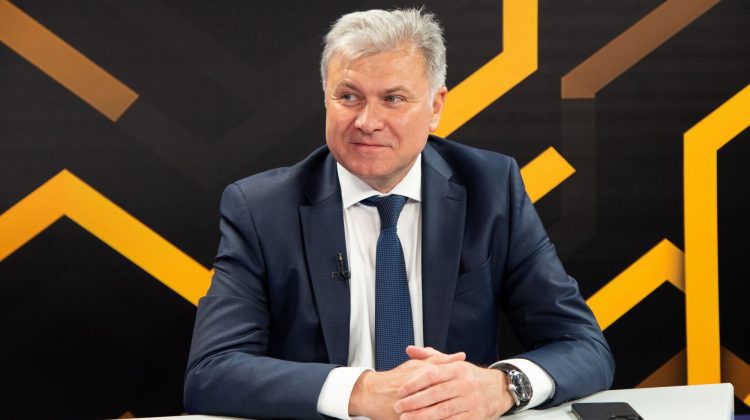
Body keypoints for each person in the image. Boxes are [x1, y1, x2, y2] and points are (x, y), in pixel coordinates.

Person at [184, 8, 614, 420]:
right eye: (348, 96)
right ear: (326, 99)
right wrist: (360, 392)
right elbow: (211, 371)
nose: (367, 121)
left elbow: (584, 346)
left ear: (435, 107)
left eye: (393, 99)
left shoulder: (491, 188)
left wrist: (502, 386)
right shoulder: (261, 208)